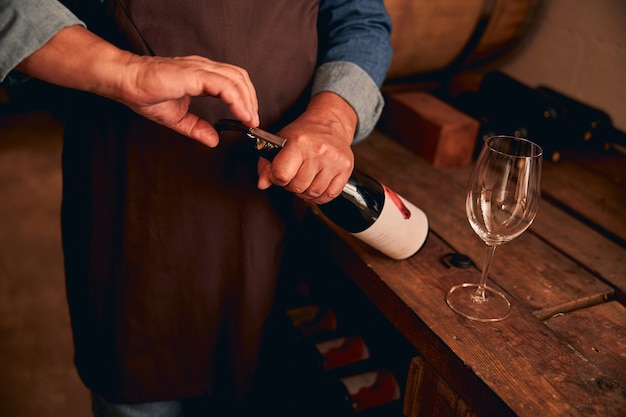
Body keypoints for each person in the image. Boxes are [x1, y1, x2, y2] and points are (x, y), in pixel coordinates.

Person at [1, 0, 392, 415]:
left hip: (274, 213)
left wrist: (331, 119)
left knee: (278, 374)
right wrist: (127, 71)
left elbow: (359, 17)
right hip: (133, 207)